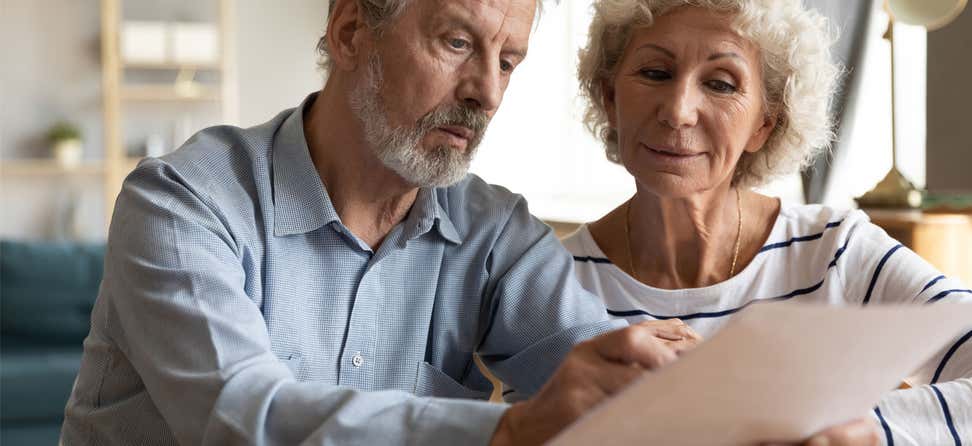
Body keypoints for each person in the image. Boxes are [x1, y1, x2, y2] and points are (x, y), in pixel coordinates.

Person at [61, 0, 879, 444]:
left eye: (510, 60)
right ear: (351, 32)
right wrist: (513, 432)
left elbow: (625, 406)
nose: (487, 90)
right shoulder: (182, 202)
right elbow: (242, 419)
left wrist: (771, 423)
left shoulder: (491, 233)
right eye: (457, 41)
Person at [566, 0, 972, 445]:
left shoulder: (833, 251)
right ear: (609, 97)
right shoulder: (551, 278)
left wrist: (840, 424)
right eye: (655, 74)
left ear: (764, 123)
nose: (678, 110)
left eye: (720, 84)